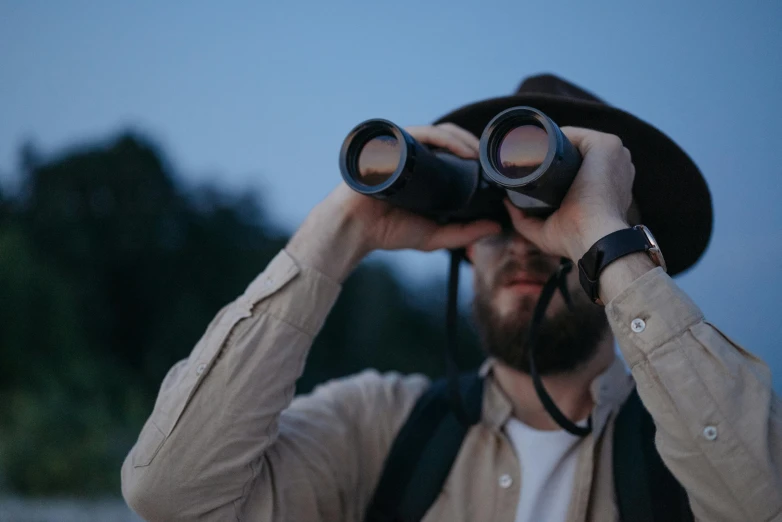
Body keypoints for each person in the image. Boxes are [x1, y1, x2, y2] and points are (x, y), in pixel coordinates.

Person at [121, 74, 781, 522]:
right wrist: (343, 226)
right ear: (465, 246)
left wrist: (607, 242)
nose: (522, 243)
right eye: (495, 214)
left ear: (617, 234)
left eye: (560, 211)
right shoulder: (383, 429)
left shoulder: (688, 448)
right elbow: (171, 492)